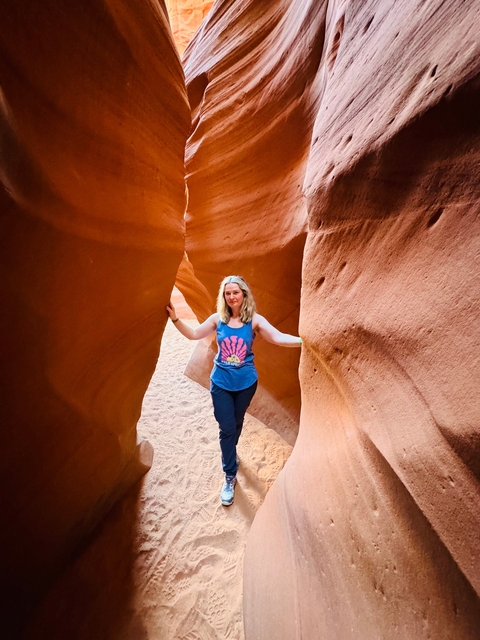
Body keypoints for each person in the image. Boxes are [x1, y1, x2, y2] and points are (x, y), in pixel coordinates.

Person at [166, 275, 302, 506]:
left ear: (244, 294)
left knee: (236, 423)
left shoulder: (255, 321)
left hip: (246, 384)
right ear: (224, 296)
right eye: (227, 293)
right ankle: (230, 475)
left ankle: (231, 452)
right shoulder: (217, 319)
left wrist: (303, 341)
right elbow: (193, 334)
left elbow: (277, 337)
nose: (231, 297)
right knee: (227, 428)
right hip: (220, 384)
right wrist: (176, 319)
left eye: (235, 292)